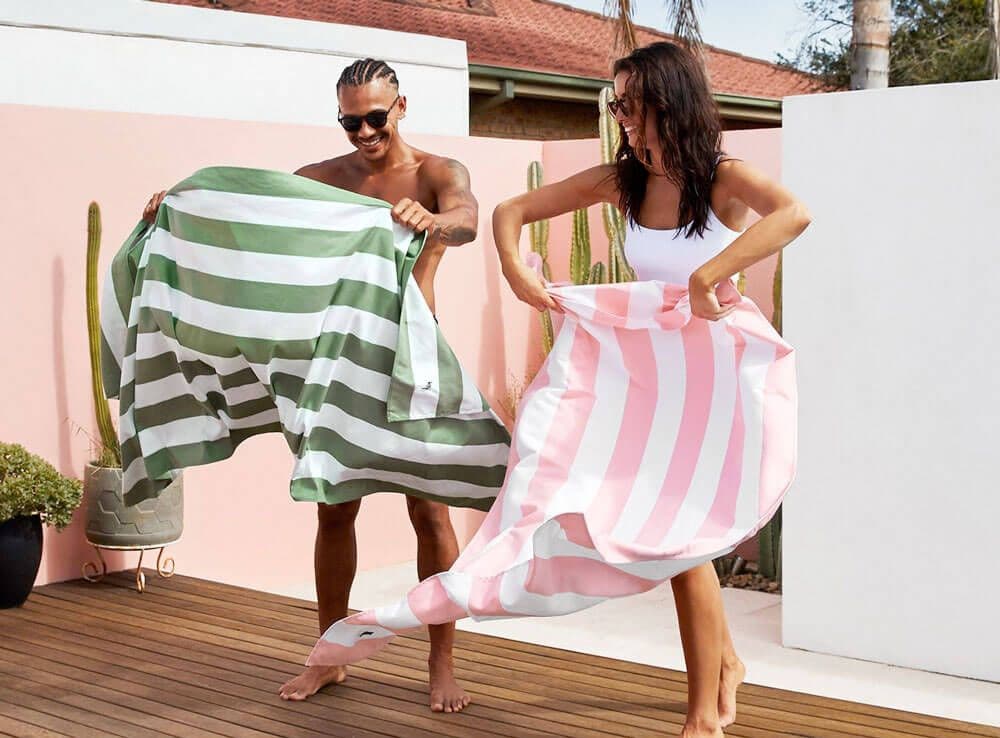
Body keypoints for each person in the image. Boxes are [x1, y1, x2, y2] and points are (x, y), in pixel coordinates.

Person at [491, 41, 811, 737]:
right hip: (647, 384)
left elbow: (793, 213)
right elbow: (510, 211)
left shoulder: (724, 178)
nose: (624, 119)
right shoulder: (625, 181)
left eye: (634, 105)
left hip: (713, 382)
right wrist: (517, 272)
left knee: (681, 541)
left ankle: (704, 715)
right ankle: (725, 668)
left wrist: (707, 275)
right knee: (671, 533)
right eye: (618, 106)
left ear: (673, 102)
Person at [141, 58, 478, 714]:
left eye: (375, 118)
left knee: (429, 511)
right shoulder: (321, 180)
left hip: (412, 353)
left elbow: (464, 217)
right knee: (335, 507)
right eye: (350, 122)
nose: (364, 132)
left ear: (401, 106)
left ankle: (442, 660)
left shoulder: (436, 173)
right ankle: (331, 654)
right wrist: (176, 212)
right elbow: (248, 221)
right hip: (338, 359)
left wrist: (434, 221)